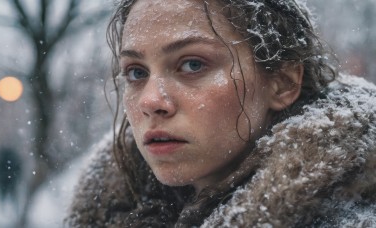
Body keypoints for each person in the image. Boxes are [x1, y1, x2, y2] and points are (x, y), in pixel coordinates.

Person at [66, 0, 376, 227]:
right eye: (136, 72)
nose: (150, 101)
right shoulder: (108, 211)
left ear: (282, 82)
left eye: (192, 65)